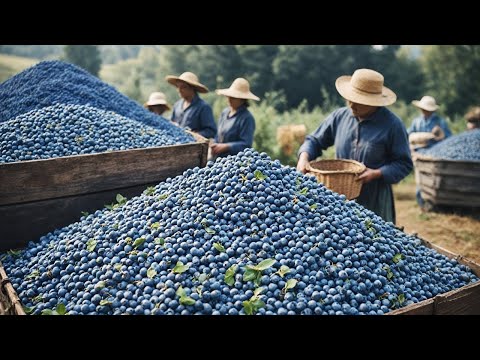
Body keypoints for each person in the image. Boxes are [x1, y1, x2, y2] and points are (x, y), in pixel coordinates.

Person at [296, 68, 413, 224]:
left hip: (374, 200)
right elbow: (315, 140)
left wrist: (377, 173)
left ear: (374, 103)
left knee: (373, 241)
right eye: (349, 98)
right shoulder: (340, 117)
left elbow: (403, 164)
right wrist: (304, 156)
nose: (351, 104)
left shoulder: (392, 125)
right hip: (339, 197)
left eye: (358, 101)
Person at [408, 95, 452, 208]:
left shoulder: (440, 122)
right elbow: (409, 135)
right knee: (420, 178)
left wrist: (440, 135)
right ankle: (421, 202)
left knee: (434, 179)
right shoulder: (417, 122)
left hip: (434, 155)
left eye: (427, 110)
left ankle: (434, 203)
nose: (424, 111)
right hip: (419, 154)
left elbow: (449, 138)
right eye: (423, 109)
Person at [210, 78, 260, 159]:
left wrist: (227, 146)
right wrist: (214, 144)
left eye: (233, 97)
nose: (229, 99)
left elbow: (246, 145)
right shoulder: (225, 113)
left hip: (235, 162)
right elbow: (218, 135)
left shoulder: (247, 118)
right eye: (229, 96)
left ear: (242, 99)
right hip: (218, 160)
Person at [165, 71, 217, 139]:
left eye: (183, 87)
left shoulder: (203, 107)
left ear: (192, 88)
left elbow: (211, 131)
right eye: (178, 87)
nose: (179, 90)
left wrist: (193, 135)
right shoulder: (177, 105)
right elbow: (172, 122)